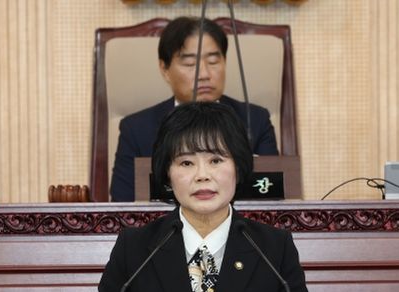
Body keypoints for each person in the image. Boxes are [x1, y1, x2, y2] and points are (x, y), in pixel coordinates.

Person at [94, 101, 309, 292]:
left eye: (215, 160)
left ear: (238, 167)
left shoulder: (275, 250)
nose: (202, 175)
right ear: (167, 173)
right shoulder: (133, 250)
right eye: (186, 163)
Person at [109, 16, 279, 202]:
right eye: (190, 64)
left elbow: (273, 195)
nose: (204, 74)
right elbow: (123, 205)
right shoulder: (136, 129)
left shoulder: (256, 120)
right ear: (164, 69)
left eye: (213, 61)